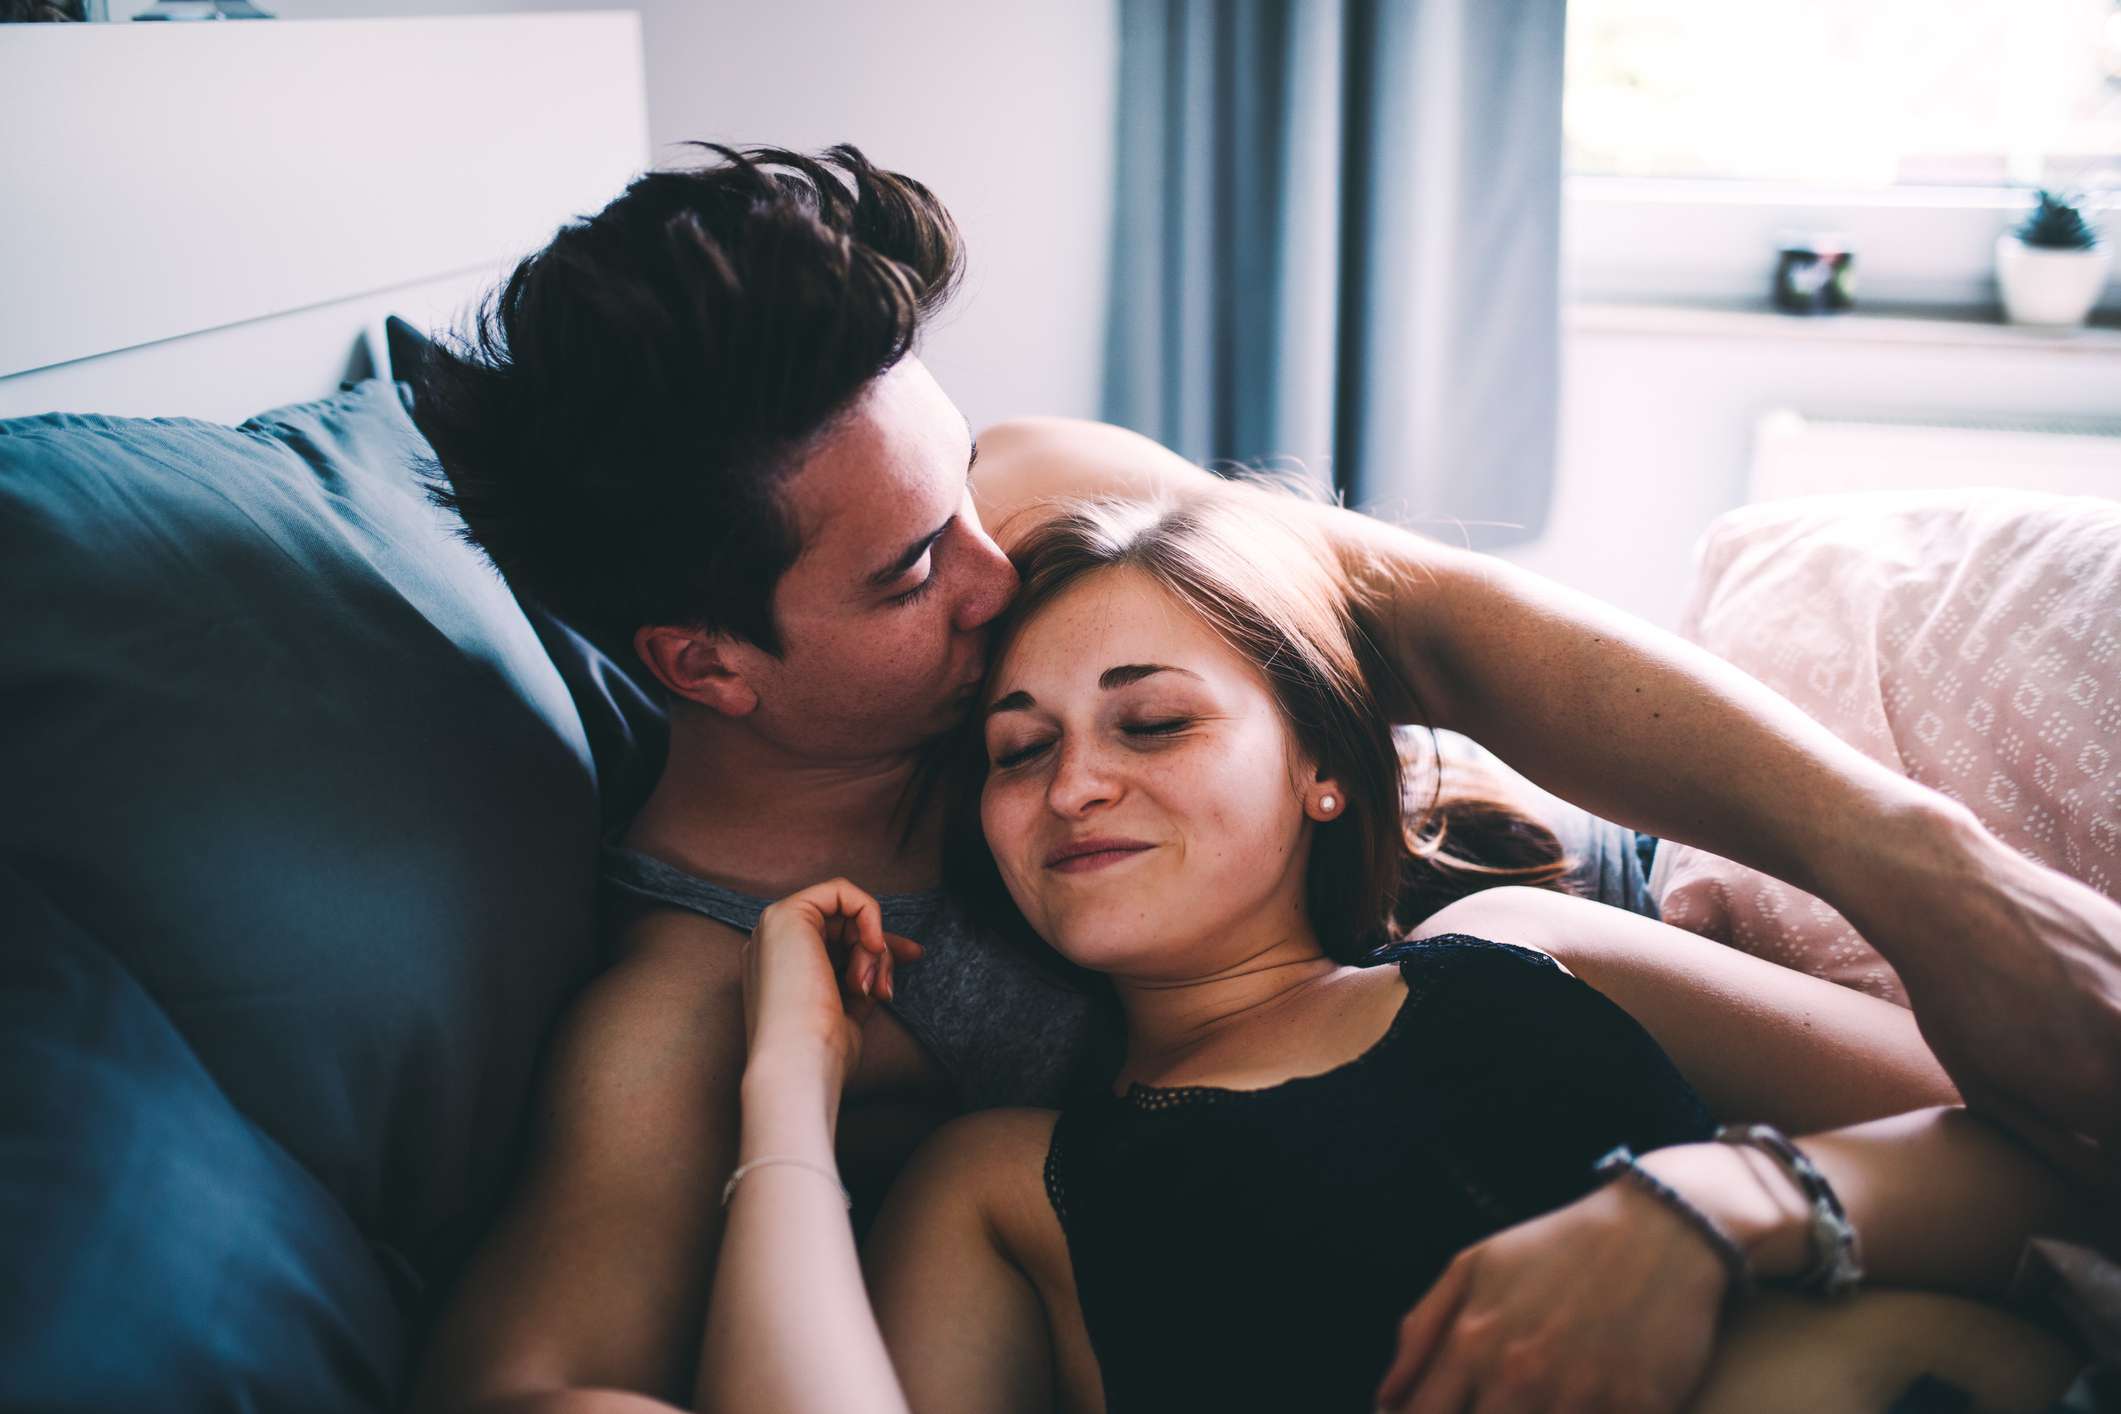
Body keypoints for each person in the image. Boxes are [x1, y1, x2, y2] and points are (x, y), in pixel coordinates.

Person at [406, 144, 2119, 1413]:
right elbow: (530, 1383)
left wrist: (1921, 869)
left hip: (1632, 896)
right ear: (704, 662)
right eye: (916, 569)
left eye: (1150, 720)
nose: (998, 565)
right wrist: (784, 1116)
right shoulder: (700, 999)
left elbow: (1429, 620)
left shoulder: (1023, 493)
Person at [704, 496, 2091, 1414]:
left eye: (1153, 723)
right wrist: (786, 1087)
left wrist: (1703, 1208)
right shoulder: (1003, 1189)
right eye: (1019, 752)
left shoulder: (1520, 949)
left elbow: (2062, 1149)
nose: (1072, 786)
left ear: (1320, 766)